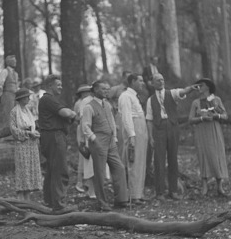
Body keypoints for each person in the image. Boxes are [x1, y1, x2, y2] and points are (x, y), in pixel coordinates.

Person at [145, 73, 199, 200]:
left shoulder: (171, 93)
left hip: (173, 127)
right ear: (153, 83)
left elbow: (183, 91)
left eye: (162, 79)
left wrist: (191, 88)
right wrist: (150, 137)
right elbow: (149, 120)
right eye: (158, 80)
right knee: (159, 160)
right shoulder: (150, 100)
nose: (161, 82)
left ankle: (173, 191)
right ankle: (159, 192)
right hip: (159, 130)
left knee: (173, 159)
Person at [81, 80, 130, 211]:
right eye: (103, 89)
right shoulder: (88, 106)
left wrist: (114, 137)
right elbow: (85, 126)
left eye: (108, 89)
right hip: (98, 141)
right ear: (95, 90)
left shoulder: (107, 104)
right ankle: (102, 202)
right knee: (100, 173)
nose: (107, 91)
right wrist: (94, 139)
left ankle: (121, 199)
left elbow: (112, 121)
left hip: (110, 141)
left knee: (119, 167)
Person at [37, 74, 78, 212]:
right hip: (54, 136)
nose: (61, 87)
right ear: (50, 86)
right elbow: (66, 113)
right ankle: (58, 205)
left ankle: (49, 202)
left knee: (52, 169)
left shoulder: (49, 100)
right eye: (58, 84)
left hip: (50, 136)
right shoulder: (48, 99)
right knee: (60, 170)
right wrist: (72, 113)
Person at [189, 78, 229, 197]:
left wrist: (218, 116)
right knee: (204, 155)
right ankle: (204, 185)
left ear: (208, 87)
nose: (199, 87)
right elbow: (190, 119)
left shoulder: (216, 100)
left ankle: (220, 185)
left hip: (215, 130)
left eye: (201, 85)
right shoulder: (196, 103)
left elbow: (225, 115)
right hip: (202, 132)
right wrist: (201, 118)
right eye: (198, 85)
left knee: (216, 155)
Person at [117, 73, 147, 203]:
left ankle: (138, 193)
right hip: (134, 131)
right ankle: (133, 195)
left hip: (141, 130)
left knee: (140, 162)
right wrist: (132, 136)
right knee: (132, 162)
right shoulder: (125, 96)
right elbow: (126, 117)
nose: (142, 83)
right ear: (133, 81)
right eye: (140, 81)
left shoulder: (134, 96)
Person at [10, 88, 42, 200]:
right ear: (21, 99)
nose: (28, 99)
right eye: (26, 97)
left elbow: (32, 126)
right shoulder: (14, 112)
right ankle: (20, 197)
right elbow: (13, 130)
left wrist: (35, 132)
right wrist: (27, 133)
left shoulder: (28, 111)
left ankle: (28, 197)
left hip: (31, 144)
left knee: (29, 169)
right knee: (22, 169)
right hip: (22, 144)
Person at [73, 84, 96, 198]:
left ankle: (87, 184)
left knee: (88, 158)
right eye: (84, 92)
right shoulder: (80, 103)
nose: (86, 93)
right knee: (85, 156)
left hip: (89, 130)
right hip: (82, 130)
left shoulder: (91, 101)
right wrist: (82, 137)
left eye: (88, 91)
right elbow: (79, 119)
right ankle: (81, 182)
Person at [0, 54, 20, 120]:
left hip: (15, 96)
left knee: (16, 114)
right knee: (9, 114)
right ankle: (8, 129)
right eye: (13, 61)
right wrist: (0, 96)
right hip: (7, 95)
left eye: (15, 61)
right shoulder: (5, 71)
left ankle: (14, 129)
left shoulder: (16, 73)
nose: (15, 62)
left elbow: (17, 86)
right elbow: (0, 85)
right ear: (9, 62)